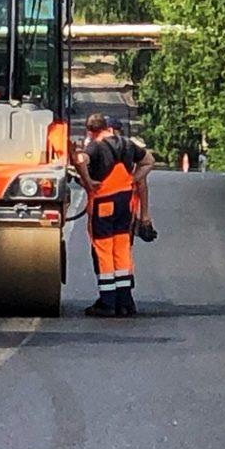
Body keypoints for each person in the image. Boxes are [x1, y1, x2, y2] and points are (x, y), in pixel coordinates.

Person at [73, 113, 153, 316]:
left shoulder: (96, 146)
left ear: (92, 131)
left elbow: (81, 159)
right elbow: (149, 161)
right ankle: (125, 301)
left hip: (104, 202)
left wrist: (88, 180)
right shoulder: (127, 145)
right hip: (125, 204)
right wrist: (133, 179)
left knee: (103, 249)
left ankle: (107, 302)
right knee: (122, 248)